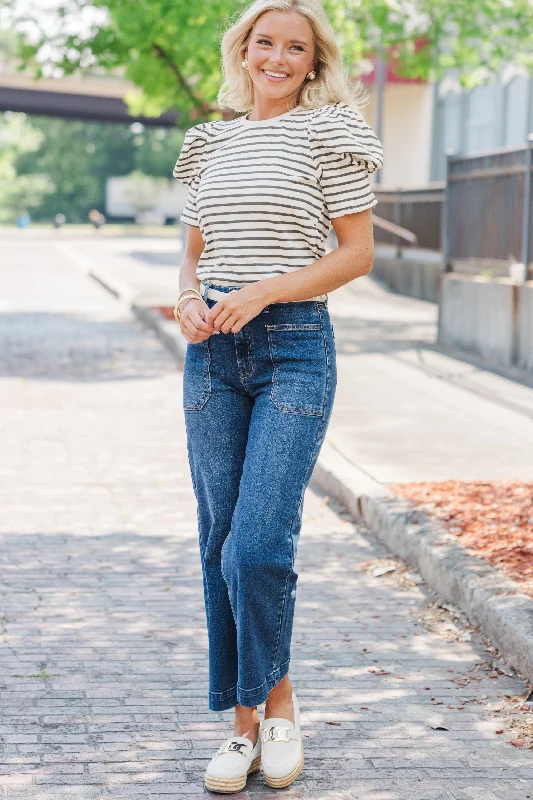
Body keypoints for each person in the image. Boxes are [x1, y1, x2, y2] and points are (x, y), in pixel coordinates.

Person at [172, 0, 383, 792]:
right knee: (218, 540)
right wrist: (189, 299)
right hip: (211, 356)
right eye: (266, 42)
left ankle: (279, 702)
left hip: (293, 347)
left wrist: (261, 293)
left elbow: (355, 254)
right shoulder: (208, 143)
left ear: (312, 59)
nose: (278, 57)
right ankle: (243, 727)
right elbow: (193, 256)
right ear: (245, 49)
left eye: (295, 47)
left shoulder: (331, 135)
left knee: (259, 544)